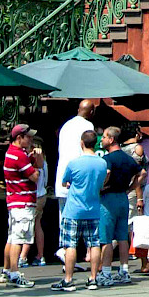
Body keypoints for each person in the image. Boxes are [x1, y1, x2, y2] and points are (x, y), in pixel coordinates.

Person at [52, 129, 106, 292]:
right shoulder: (102, 163)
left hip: (74, 209)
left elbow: (64, 182)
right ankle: (93, 279)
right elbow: (101, 183)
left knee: (71, 245)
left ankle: (68, 280)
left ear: (81, 143)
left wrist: (71, 184)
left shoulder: (74, 163)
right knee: (94, 244)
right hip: (93, 208)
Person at [98, 126, 143, 285]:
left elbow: (108, 173)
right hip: (123, 198)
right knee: (123, 236)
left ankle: (106, 272)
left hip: (108, 199)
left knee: (107, 238)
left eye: (103, 137)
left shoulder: (108, 159)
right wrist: (131, 187)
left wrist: (101, 186)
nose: (101, 140)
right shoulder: (128, 158)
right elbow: (142, 173)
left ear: (111, 139)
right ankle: (124, 271)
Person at [55, 100, 96, 272]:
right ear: (92, 112)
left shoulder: (65, 126)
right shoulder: (88, 126)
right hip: (78, 180)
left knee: (64, 218)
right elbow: (85, 152)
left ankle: (66, 254)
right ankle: (69, 252)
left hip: (62, 177)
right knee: (81, 221)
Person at [0, 124, 41, 288]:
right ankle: (15, 273)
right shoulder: (19, 156)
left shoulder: (13, 153)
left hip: (14, 201)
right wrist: (36, 165)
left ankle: (6, 270)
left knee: (11, 237)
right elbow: (35, 176)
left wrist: (34, 157)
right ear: (19, 138)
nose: (31, 140)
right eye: (28, 137)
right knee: (18, 238)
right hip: (22, 203)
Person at [123, 123, 149, 273]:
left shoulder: (125, 149)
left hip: (139, 187)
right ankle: (148, 251)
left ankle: (138, 252)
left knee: (135, 220)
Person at [18, 135, 49, 268]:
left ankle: (23, 256)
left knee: (28, 226)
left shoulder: (35, 162)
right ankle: (40, 255)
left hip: (34, 196)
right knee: (37, 225)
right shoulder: (44, 162)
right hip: (42, 194)